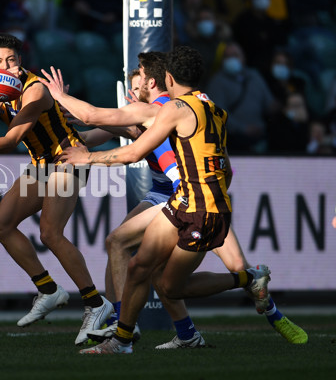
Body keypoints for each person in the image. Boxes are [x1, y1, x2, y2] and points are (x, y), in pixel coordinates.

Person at [41, 52, 308, 348]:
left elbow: (122, 142)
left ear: (164, 79)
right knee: (139, 263)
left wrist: (58, 99)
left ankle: (253, 295)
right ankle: (128, 335)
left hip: (199, 206)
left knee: (183, 278)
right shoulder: (214, 109)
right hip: (184, 200)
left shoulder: (169, 108)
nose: (137, 84)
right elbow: (225, 168)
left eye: (140, 77)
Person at [0, 32, 113, 346]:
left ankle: (97, 304)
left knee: (50, 233)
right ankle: (48, 289)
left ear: (21, 62)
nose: (6, 67)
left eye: (12, 61)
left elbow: (8, 142)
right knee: (1, 225)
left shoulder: (36, 91)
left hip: (68, 157)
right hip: (40, 163)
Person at [205, 41, 278, 153]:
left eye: (235, 55)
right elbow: (217, 113)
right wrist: (243, 129)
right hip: (233, 139)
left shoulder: (254, 76)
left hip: (260, 135)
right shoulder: (217, 82)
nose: (231, 60)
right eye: (227, 56)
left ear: (243, 58)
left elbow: (269, 104)